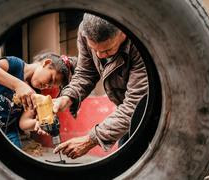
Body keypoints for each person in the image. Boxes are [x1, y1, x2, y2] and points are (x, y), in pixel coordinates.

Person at [53, 13, 148, 159]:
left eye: (107, 50)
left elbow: (136, 104)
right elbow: (86, 72)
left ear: (123, 32)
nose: (100, 55)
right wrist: (66, 97)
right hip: (127, 113)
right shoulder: (84, 32)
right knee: (125, 160)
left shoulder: (142, 43)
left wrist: (90, 139)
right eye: (94, 49)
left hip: (153, 111)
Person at [0, 53, 77, 148]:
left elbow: (23, 123)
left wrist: (38, 123)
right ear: (46, 63)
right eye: (51, 79)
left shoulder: (36, 95)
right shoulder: (16, 65)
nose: (47, 86)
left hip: (7, 131)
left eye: (50, 86)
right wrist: (18, 85)